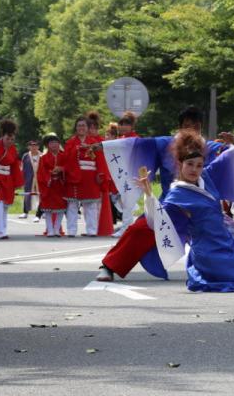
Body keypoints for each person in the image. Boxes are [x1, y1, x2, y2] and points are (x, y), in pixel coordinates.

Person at [96, 106, 225, 282]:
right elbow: (135, 145)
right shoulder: (165, 144)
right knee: (138, 230)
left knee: (230, 234)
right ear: (180, 128)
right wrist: (104, 146)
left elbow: (232, 154)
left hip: (202, 209)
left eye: (196, 126)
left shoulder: (210, 147)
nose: (192, 131)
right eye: (187, 126)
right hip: (170, 207)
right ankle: (109, 267)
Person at [137, 131, 234, 292]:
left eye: (199, 165)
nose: (194, 169)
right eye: (190, 164)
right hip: (207, 251)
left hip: (227, 243)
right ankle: (205, 271)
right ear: (180, 164)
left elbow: (228, 158)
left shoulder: (206, 176)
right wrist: (149, 196)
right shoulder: (177, 194)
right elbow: (159, 220)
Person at [63, 115, 106, 237]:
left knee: (91, 205)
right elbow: (66, 159)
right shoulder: (70, 142)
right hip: (74, 176)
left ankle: (91, 231)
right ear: (75, 128)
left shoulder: (94, 143)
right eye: (79, 125)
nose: (81, 128)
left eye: (83, 125)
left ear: (87, 128)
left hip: (91, 177)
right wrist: (77, 150)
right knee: (72, 205)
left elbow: (100, 160)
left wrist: (100, 174)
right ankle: (71, 231)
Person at [37, 135, 67, 237]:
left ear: (59, 144)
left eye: (56, 142)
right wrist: (50, 174)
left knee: (61, 208)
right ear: (47, 145)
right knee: (48, 209)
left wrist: (62, 169)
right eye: (51, 143)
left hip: (60, 185)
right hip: (48, 186)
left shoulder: (64, 156)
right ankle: (50, 230)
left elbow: (68, 168)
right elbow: (41, 172)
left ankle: (57, 229)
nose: (54, 144)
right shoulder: (43, 158)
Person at [21, 140, 41, 220]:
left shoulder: (42, 155)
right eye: (31, 145)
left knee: (40, 196)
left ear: (38, 146)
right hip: (29, 178)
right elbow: (22, 168)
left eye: (35, 145)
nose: (33, 147)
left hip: (39, 179)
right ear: (29, 147)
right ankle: (25, 212)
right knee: (27, 195)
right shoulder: (26, 156)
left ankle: (40, 213)